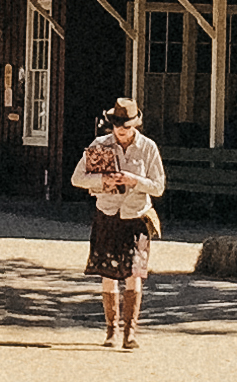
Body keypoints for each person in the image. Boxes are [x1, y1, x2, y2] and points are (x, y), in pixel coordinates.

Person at [71, 98, 170, 349]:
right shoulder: (100, 145)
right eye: (117, 124)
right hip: (107, 213)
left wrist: (134, 180)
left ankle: (131, 332)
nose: (121, 129)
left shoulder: (148, 148)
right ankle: (111, 330)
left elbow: (158, 187)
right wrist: (103, 181)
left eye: (126, 124)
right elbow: (77, 178)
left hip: (136, 216)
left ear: (135, 124)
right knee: (108, 273)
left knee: (134, 273)